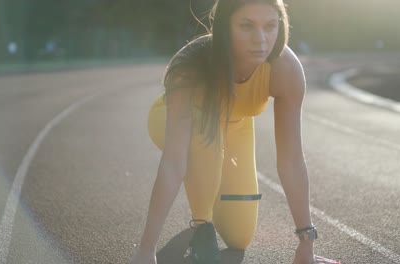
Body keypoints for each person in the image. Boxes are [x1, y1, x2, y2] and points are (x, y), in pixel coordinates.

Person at [132, 0, 341, 263]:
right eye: (246, 26)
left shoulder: (285, 68)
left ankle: (210, 208)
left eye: (270, 26)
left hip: (236, 124)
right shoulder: (191, 64)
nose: (261, 39)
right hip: (173, 120)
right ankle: (202, 226)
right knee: (206, 138)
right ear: (224, 27)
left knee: (239, 237)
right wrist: (145, 251)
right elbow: (174, 163)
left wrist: (306, 243)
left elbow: (291, 161)